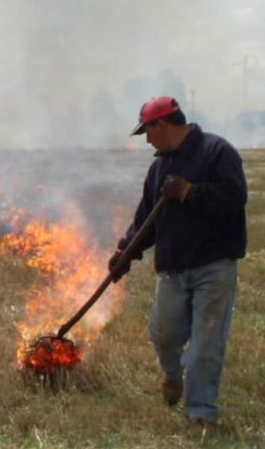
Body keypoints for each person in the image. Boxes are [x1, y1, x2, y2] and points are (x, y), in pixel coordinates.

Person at [108, 96, 247, 433]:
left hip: (214, 267)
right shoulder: (159, 168)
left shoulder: (217, 152)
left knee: (204, 346)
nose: (147, 139)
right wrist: (126, 253)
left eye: (148, 132)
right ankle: (173, 376)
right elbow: (147, 221)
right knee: (164, 335)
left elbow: (234, 198)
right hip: (172, 270)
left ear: (163, 125)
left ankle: (202, 413)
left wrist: (189, 192)